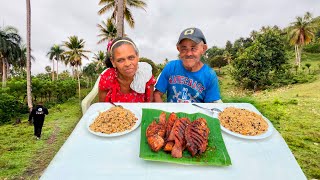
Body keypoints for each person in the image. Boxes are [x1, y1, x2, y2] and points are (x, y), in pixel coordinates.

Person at [154, 27, 222, 103]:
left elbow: (211, 104)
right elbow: (157, 94)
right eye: (184, 49)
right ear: (178, 49)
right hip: (172, 114)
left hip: (197, 114)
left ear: (203, 49)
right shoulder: (171, 67)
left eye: (193, 48)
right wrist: (164, 112)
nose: (188, 53)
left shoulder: (209, 75)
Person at [98, 37, 156, 102]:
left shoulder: (145, 76)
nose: (127, 64)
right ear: (113, 62)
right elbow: (102, 106)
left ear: (137, 57)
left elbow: (149, 104)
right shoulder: (107, 78)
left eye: (131, 58)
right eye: (120, 60)